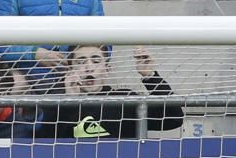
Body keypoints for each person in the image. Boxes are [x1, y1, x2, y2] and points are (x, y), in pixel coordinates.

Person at [39, 45, 183, 138]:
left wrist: (150, 76)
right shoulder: (55, 103)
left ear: (107, 70)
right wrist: (70, 101)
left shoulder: (125, 100)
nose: (89, 68)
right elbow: (46, 145)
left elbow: (173, 118)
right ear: (70, 70)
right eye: (81, 62)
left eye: (96, 61)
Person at [0, 0, 105, 92]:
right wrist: (34, 53)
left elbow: (104, 41)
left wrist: (81, 63)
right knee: (19, 84)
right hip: (29, 75)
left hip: (76, 73)